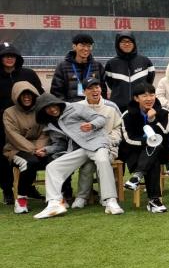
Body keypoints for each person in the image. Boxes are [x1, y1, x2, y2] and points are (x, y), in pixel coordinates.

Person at [33, 90, 123, 219]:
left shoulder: (75, 107)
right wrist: (47, 150)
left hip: (97, 143)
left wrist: (91, 125)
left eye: (53, 105)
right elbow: (60, 145)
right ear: (43, 111)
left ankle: (111, 202)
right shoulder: (51, 124)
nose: (52, 109)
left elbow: (101, 119)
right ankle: (54, 204)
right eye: (48, 108)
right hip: (78, 150)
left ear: (58, 103)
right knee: (52, 167)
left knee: (103, 160)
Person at [0, 42, 43, 205]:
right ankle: (7, 190)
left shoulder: (28, 74)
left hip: (27, 122)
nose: (9, 58)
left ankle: (29, 188)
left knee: (30, 156)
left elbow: (40, 95)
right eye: (5, 55)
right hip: (2, 125)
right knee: (3, 159)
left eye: (12, 55)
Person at [120, 83, 169, 213]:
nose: (149, 99)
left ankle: (137, 176)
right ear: (136, 98)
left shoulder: (163, 112)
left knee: (156, 146)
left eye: (152, 95)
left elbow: (165, 134)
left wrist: (152, 120)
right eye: (144, 96)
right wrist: (147, 142)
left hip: (160, 151)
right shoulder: (127, 115)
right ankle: (154, 201)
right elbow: (128, 139)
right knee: (153, 158)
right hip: (135, 153)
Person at [4, 82, 48, 213]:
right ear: (16, 96)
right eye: (23, 95)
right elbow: (13, 135)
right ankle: (21, 200)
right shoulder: (9, 112)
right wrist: (33, 150)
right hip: (16, 149)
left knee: (56, 160)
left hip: (41, 148)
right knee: (29, 163)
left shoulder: (40, 110)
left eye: (29, 94)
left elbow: (45, 132)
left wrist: (39, 148)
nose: (27, 97)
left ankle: (55, 198)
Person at [103, 32, 156, 112]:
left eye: (130, 41)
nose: (127, 44)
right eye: (123, 42)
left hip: (140, 106)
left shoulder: (145, 61)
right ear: (118, 44)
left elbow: (149, 81)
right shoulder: (111, 64)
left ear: (134, 43)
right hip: (118, 107)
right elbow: (111, 84)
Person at [51, 33, 106, 103]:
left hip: (92, 107)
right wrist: (67, 107)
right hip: (71, 107)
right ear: (74, 46)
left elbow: (103, 90)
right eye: (82, 45)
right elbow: (56, 92)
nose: (86, 49)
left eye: (89, 46)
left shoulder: (97, 66)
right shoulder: (63, 66)